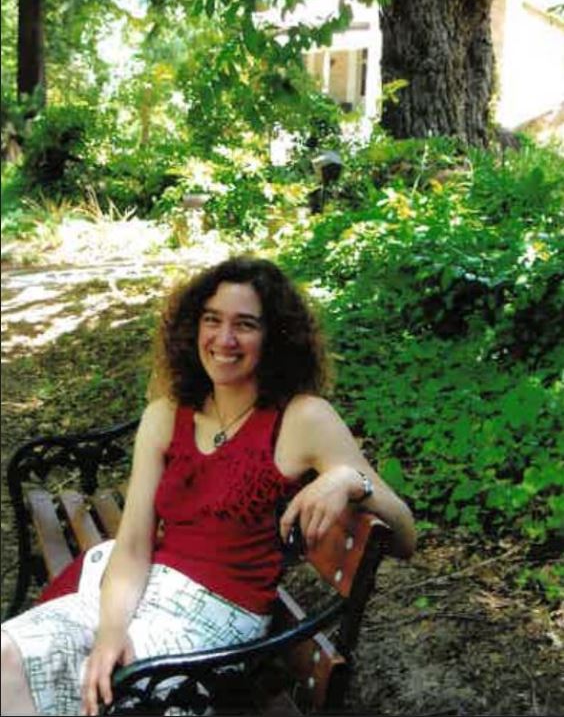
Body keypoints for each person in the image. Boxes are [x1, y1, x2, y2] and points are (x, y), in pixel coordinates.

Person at [1, 256, 416, 717]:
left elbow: (405, 536)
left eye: (246, 325)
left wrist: (349, 479)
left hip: (219, 618)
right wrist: (110, 631)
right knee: (7, 657)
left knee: (107, 691)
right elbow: (135, 544)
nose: (224, 339)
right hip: (143, 586)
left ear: (275, 335)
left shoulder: (302, 418)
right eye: (212, 320)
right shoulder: (166, 415)